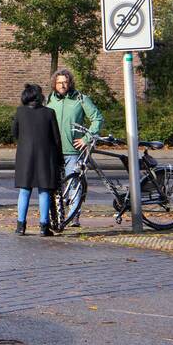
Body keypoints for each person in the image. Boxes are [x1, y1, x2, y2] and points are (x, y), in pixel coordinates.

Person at [46, 69, 104, 227]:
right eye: (59, 82)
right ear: (54, 84)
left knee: (73, 183)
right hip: (54, 150)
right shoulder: (49, 99)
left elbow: (97, 118)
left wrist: (87, 138)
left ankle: (73, 217)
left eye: (65, 82)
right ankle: (56, 216)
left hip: (73, 151)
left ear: (70, 82)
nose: (62, 85)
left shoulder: (80, 99)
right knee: (54, 184)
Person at [12, 83, 62, 237]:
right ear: (40, 97)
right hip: (45, 156)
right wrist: (59, 158)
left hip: (24, 157)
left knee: (24, 190)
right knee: (44, 191)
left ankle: (21, 226)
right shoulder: (49, 113)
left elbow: (15, 134)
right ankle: (43, 226)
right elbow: (56, 138)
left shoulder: (20, 112)